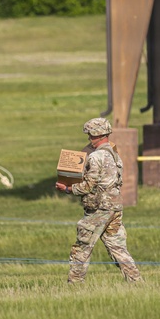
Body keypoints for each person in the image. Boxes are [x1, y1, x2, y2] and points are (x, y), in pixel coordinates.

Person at [55, 118, 142, 284]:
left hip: (99, 209)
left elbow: (88, 186)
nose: (89, 139)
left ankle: (74, 284)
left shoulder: (96, 157)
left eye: (90, 135)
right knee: (117, 248)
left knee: (82, 247)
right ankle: (136, 282)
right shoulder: (115, 155)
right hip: (114, 207)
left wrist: (67, 189)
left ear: (96, 135)